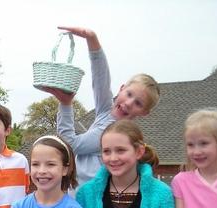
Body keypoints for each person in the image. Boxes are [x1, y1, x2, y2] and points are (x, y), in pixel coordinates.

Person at [43, 26, 160, 189]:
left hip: (89, 197)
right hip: (80, 191)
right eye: (129, 94)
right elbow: (100, 79)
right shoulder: (107, 111)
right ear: (121, 89)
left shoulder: (113, 130)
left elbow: (71, 144)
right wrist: (92, 40)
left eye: (138, 103)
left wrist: (65, 104)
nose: (128, 103)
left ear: (145, 113)